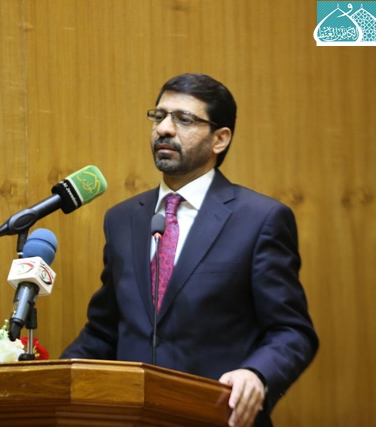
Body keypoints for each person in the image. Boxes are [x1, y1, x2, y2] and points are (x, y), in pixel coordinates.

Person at [60, 73, 318, 427]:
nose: (164, 129)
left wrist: (256, 374)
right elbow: (105, 331)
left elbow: (292, 331)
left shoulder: (260, 219)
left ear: (220, 139)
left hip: (217, 416)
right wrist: (52, 381)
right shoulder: (122, 219)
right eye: (159, 116)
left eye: (183, 119)